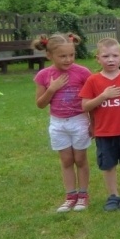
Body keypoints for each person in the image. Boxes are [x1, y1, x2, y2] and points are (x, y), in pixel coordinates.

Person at [80, 38, 120, 211]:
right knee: (108, 165)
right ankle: (113, 195)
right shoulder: (93, 81)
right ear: (97, 58)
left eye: (115, 55)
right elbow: (85, 106)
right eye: (106, 56)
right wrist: (103, 96)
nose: (110, 60)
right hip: (104, 132)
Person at [33, 33, 93, 212]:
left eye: (72, 55)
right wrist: (52, 89)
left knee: (80, 159)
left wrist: (93, 124)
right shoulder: (44, 75)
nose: (68, 59)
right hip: (58, 124)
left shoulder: (83, 72)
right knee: (66, 160)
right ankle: (70, 196)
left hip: (79, 121)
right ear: (49, 55)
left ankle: (83, 196)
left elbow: (92, 99)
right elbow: (40, 104)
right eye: (63, 56)